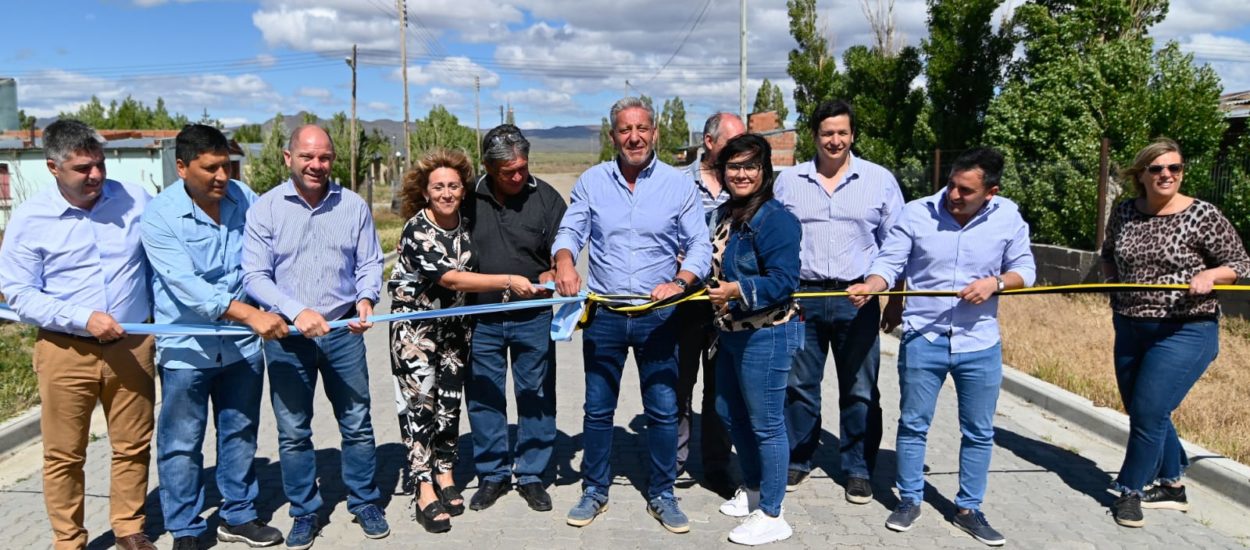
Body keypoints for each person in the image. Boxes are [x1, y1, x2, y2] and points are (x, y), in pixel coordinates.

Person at [847, 147, 1035, 547]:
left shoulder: (1007, 217)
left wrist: (996, 283)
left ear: (991, 191)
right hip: (923, 336)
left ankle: (969, 508)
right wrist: (873, 286)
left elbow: (1026, 270)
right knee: (914, 424)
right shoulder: (917, 213)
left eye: (965, 190)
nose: (952, 194)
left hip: (979, 341)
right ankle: (909, 500)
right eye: (951, 183)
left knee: (979, 431)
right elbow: (890, 262)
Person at [553, 96, 712, 533]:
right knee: (597, 409)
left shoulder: (679, 186)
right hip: (604, 312)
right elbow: (571, 230)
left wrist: (680, 282)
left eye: (642, 128)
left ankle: (663, 493)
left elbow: (699, 244)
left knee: (663, 408)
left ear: (655, 133)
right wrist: (564, 261)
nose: (634, 137)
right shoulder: (592, 181)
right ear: (613, 136)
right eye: (625, 130)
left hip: (658, 315)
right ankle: (594, 490)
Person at [0, 119, 158, 550]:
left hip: (133, 345)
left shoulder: (134, 199)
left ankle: (129, 527)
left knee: (132, 445)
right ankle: (69, 540)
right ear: (53, 167)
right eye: (83, 168)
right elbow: (19, 294)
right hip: (65, 350)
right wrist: (81, 317)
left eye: (100, 164)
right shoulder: (31, 220)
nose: (96, 176)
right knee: (64, 454)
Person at [242, 125, 389, 549]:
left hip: (344, 331)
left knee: (357, 423)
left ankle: (364, 500)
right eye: (307, 156)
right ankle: (305, 511)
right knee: (293, 431)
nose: (316, 165)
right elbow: (254, 275)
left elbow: (370, 262)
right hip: (287, 336)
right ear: (288, 158)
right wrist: (295, 311)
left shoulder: (353, 205)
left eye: (324, 157)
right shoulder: (265, 209)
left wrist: (365, 299)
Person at [141, 124, 287, 550]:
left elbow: (270, 252)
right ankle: (185, 528)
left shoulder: (245, 199)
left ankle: (238, 515)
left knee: (239, 432)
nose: (222, 176)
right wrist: (250, 314)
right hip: (187, 349)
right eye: (211, 169)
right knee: (182, 442)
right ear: (182, 167)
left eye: (226, 165)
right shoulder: (160, 216)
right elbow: (186, 285)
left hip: (240, 347)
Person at [1100, 138, 1250, 528]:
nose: (1167, 175)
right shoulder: (1125, 213)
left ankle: (1130, 490)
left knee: (1148, 412)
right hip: (1130, 325)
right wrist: (1114, 289)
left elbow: (1240, 262)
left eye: (1175, 168)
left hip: (1186, 329)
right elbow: (1107, 254)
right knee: (1143, 409)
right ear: (1142, 174)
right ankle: (1171, 485)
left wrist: (1210, 274)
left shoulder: (1203, 214)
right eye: (1157, 169)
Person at [388, 148, 539, 533]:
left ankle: (446, 474)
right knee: (420, 408)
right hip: (416, 334)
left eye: (453, 185)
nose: (446, 193)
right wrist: (507, 280)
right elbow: (452, 278)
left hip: (456, 329)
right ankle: (422, 487)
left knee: (449, 406)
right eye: (438, 186)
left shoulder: (464, 222)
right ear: (425, 192)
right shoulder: (416, 230)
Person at [773, 99, 904, 501]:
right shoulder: (789, 181)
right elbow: (774, 237)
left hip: (858, 298)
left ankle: (859, 468)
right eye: (827, 133)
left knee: (861, 388)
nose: (835, 140)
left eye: (842, 133)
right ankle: (797, 458)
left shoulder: (879, 180)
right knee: (798, 386)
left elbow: (896, 243)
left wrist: (886, 291)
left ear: (853, 135)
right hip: (803, 299)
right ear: (814, 136)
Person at [461, 125, 567, 513]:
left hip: (532, 317)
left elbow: (564, 247)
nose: (518, 176)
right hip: (481, 315)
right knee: (485, 395)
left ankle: (533, 474)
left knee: (536, 393)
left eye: (523, 167)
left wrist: (555, 271)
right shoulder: (468, 197)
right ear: (488, 167)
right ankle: (493, 474)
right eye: (509, 172)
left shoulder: (547, 198)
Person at [705, 134, 803, 546]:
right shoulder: (728, 213)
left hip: (768, 332)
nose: (741, 174)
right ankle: (756, 490)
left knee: (766, 425)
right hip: (732, 332)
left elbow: (784, 280)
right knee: (729, 412)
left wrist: (736, 291)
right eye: (733, 166)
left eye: (750, 166)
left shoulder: (774, 218)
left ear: (764, 172)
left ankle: (774, 513)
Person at [675, 112, 744, 492]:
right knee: (678, 386)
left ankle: (717, 465)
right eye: (730, 143)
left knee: (721, 390)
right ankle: (675, 461)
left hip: (728, 304)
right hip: (685, 302)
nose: (737, 154)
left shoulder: (745, 185)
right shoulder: (673, 183)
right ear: (708, 142)